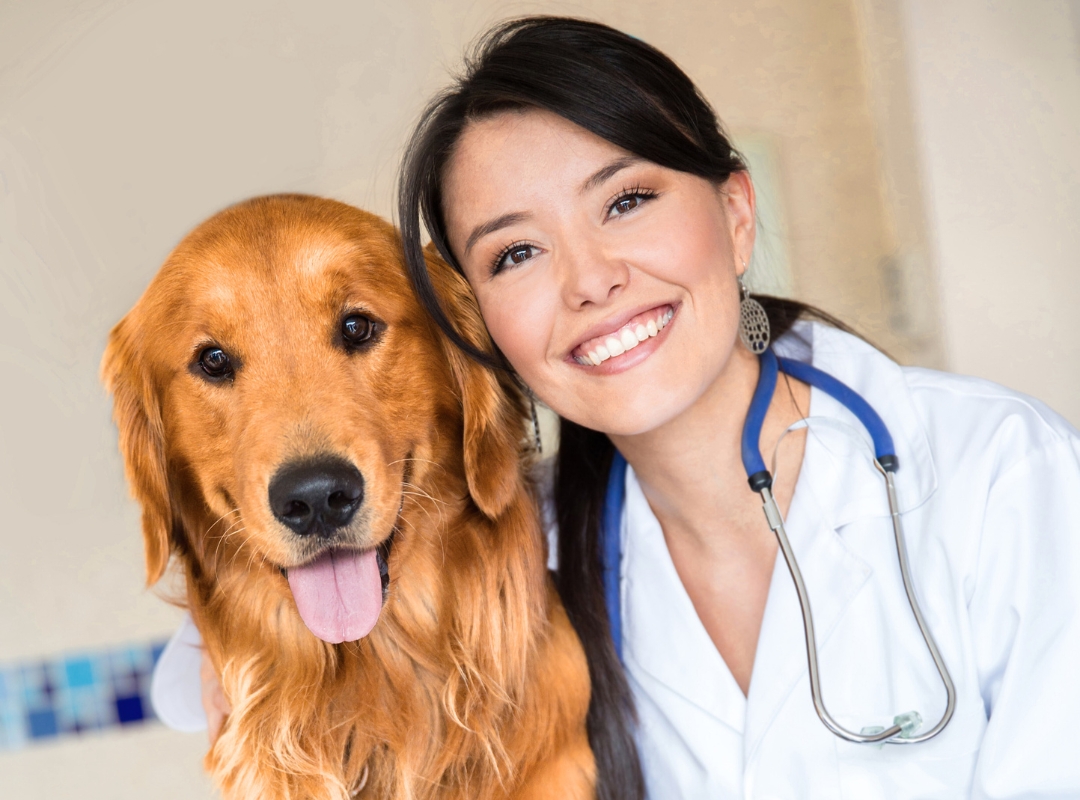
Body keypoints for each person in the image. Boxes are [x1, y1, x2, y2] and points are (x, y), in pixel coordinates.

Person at [157, 16, 1080, 799]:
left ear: (735, 212)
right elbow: (204, 661)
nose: (592, 280)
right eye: (516, 253)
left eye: (627, 200)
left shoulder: (999, 473)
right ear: (475, 328)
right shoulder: (530, 540)